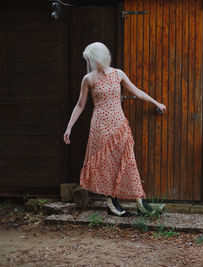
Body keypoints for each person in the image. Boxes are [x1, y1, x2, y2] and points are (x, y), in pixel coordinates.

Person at [63, 42, 166, 217]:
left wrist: (156, 103)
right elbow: (80, 105)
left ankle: (140, 200)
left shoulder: (118, 74)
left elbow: (137, 92)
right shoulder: (88, 79)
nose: (89, 63)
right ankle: (111, 202)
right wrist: (69, 128)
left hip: (119, 125)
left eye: (91, 59)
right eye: (88, 60)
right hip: (100, 127)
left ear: (100, 58)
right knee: (107, 165)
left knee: (128, 160)